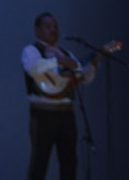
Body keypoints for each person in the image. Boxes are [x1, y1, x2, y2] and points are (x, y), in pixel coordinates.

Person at [22, 12, 101, 180]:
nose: (53, 30)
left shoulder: (66, 53)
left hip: (66, 113)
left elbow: (82, 78)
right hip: (42, 114)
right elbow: (33, 68)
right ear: (37, 31)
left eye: (55, 26)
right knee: (39, 162)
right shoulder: (31, 51)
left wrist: (93, 65)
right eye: (48, 26)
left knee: (69, 162)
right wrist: (57, 62)